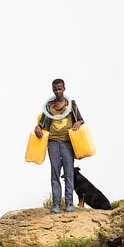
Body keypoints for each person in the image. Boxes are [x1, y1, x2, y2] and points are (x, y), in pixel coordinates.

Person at [34, 78, 85, 213]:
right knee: (55, 173)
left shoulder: (71, 104)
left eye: (60, 89)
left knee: (69, 173)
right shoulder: (49, 106)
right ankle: (56, 204)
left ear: (64, 89)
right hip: (53, 143)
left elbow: (81, 119)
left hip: (68, 143)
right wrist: (38, 127)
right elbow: (42, 122)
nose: (57, 91)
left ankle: (69, 204)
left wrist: (78, 123)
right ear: (52, 90)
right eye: (55, 89)